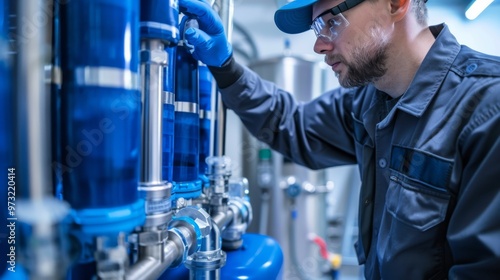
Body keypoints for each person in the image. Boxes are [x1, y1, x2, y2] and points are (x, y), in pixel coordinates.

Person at [179, 0, 500, 278]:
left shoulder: (486, 110)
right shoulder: (368, 102)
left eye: (331, 22)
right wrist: (226, 68)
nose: (319, 45)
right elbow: (294, 124)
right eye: (317, 27)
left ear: (395, 4)